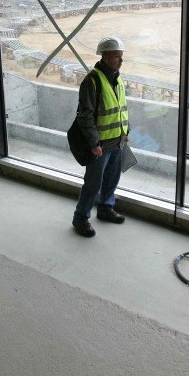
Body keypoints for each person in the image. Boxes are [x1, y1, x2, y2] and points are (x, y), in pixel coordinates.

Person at [71, 36, 130, 237]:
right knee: (93, 183)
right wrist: (94, 142)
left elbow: (120, 108)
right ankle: (80, 218)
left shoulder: (117, 78)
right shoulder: (93, 80)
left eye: (121, 57)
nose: (121, 61)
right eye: (116, 57)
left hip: (117, 141)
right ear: (105, 57)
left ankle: (105, 208)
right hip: (100, 144)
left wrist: (125, 132)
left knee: (112, 178)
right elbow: (85, 116)